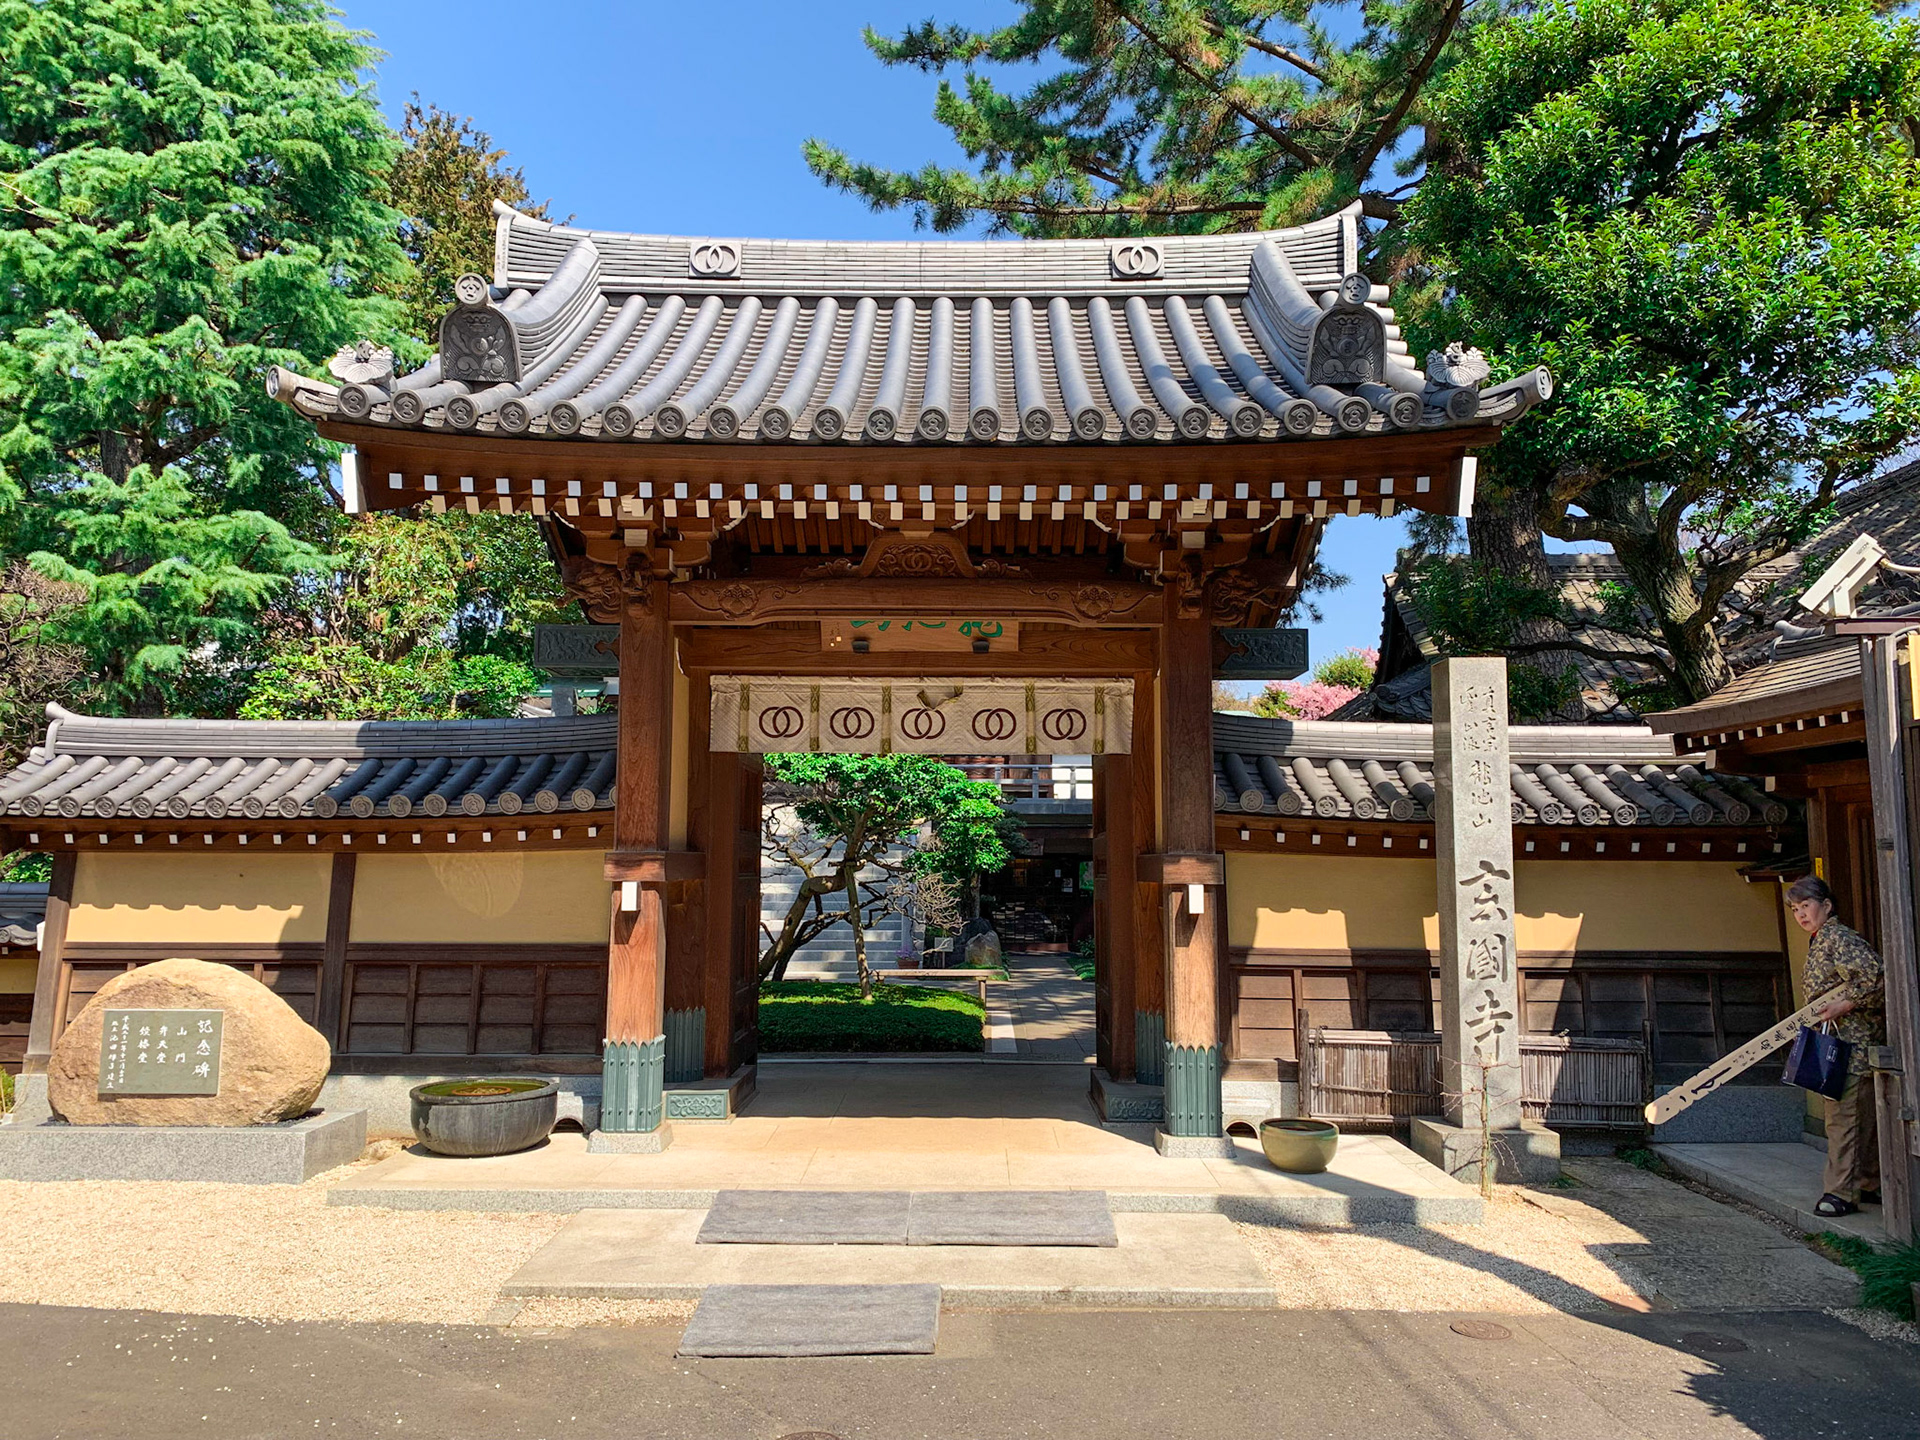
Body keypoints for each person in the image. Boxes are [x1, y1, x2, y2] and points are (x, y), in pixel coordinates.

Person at [1786, 875, 1886, 1217]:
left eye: (1806, 906)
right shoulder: (1821, 939)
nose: (1801, 914)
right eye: (1795, 909)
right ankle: (1868, 1182)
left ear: (1826, 906)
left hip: (1851, 1046)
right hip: (1835, 1043)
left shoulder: (1839, 937)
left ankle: (1840, 1193)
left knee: (1844, 1119)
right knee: (1857, 1119)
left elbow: (1876, 978)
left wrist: (1845, 1004)